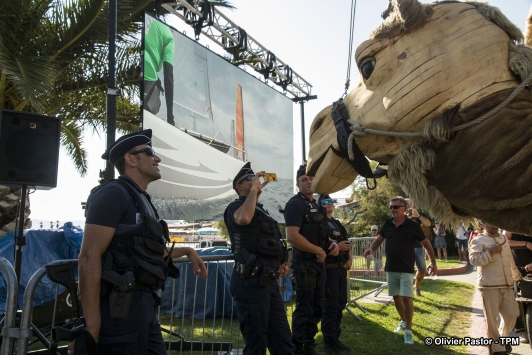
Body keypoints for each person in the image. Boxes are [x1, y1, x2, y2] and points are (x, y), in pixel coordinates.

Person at [73, 130, 207, 355]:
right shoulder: (113, 193)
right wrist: (92, 326)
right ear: (131, 159)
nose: (158, 159)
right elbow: (88, 257)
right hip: (119, 311)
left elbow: (149, 251)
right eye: (150, 152)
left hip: (143, 307)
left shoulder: (142, 199)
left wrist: (189, 250)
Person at [223, 162, 294, 355]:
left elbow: (267, 241)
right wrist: (254, 190)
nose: (256, 180)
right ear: (239, 186)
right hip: (250, 283)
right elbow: (243, 219)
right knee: (256, 345)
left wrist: (282, 261)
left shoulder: (262, 211)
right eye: (250, 178)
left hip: (268, 283)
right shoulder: (236, 206)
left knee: (284, 343)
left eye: (256, 177)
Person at [363, 196, 437, 345]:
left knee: (406, 298)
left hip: (406, 268)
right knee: (396, 297)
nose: (392, 210)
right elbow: (379, 239)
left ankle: (408, 332)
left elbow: (426, 243)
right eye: (391, 207)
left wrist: (433, 263)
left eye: (396, 207)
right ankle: (403, 321)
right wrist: (371, 249)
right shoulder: (387, 224)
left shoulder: (412, 225)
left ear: (404, 208)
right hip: (391, 267)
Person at [284, 165, 339, 355]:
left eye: (311, 178)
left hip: (319, 264)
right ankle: (298, 348)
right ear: (298, 184)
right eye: (304, 179)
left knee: (317, 307)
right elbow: (292, 235)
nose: (308, 182)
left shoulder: (316, 205)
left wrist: (331, 243)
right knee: (304, 308)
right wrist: (317, 249)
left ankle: (308, 345)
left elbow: (320, 233)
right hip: (305, 264)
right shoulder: (294, 204)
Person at [469, 223, 521, 355]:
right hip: (489, 285)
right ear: (483, 224)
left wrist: (516, 275)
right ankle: (498, 349)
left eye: (495, 223)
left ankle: (503, 340)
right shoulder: (478, 240)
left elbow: (509, 260)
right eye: (489, 223)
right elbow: (474, 260)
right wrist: (490, 252)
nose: (493, 225)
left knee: (512, 315)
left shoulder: (503, 239)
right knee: (492, 319)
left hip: (506, 284)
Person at [318, 194, 353, 355]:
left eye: (331, 201)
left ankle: (336, 338)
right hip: (329, 269)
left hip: (341, 269)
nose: (330, 203)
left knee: (340, 304)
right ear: (320, 205)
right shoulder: (320, 223)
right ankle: (329, 343)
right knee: (330, 306)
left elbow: (348, 243)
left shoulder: (338, 223)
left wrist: (350, 259)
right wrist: (337, 246)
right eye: (325, 201)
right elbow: (319, 245)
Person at [144, 18, 175, 125]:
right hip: (147, 76)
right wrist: (170, 116)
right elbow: (168, 76)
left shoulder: (148, 19)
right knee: (153, 107)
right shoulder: (169, 37)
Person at [404, 198, 431, 297]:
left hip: (418, 246)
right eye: (407, 204)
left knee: (422, 269)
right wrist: (407, 216)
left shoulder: (416, 215)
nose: (409, 205)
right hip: (406, 247)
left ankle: (417, 287)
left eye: (410, 203)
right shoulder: (400, 215)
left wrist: (418, 216)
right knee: (408, 270)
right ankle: (408, 291)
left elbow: (428, 224)